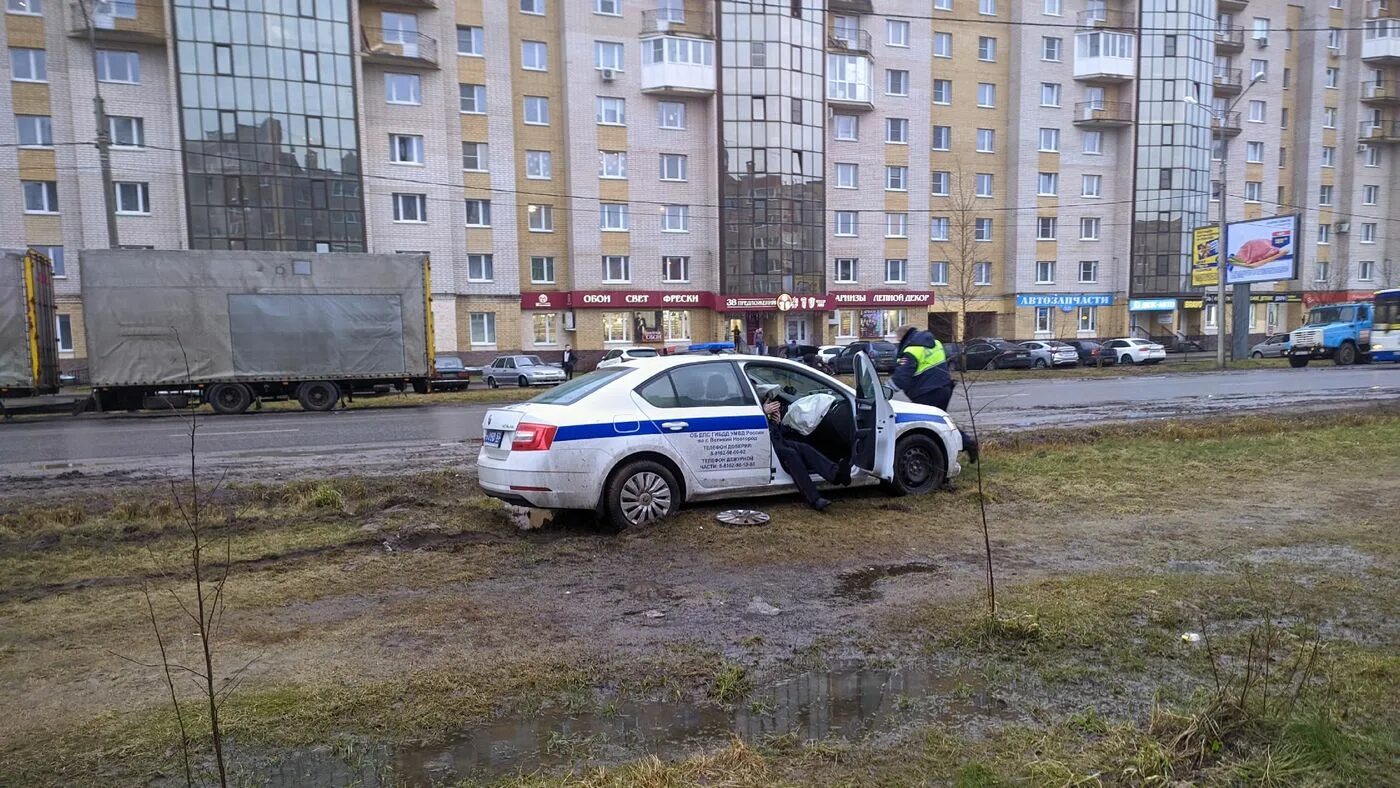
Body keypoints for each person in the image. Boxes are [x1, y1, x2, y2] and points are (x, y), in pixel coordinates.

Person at [891, 326, 979, 464]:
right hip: (944, 388)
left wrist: (886, 390)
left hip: (926, 393)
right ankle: (966, 444)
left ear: (902, 337)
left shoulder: (911, 351)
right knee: (940, 425)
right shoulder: (935, 343)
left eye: (897, 339)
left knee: (931, 430)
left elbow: (901, 377)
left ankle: (944, 464)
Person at [760, 389, 850, 511]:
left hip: (776, 438)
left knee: (804, 448)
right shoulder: (751, 405)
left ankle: (835, 474)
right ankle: (814, 499)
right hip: (766, 443)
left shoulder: (752, 397)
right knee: (791, 455)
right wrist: (763, 412)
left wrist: (777, 422)